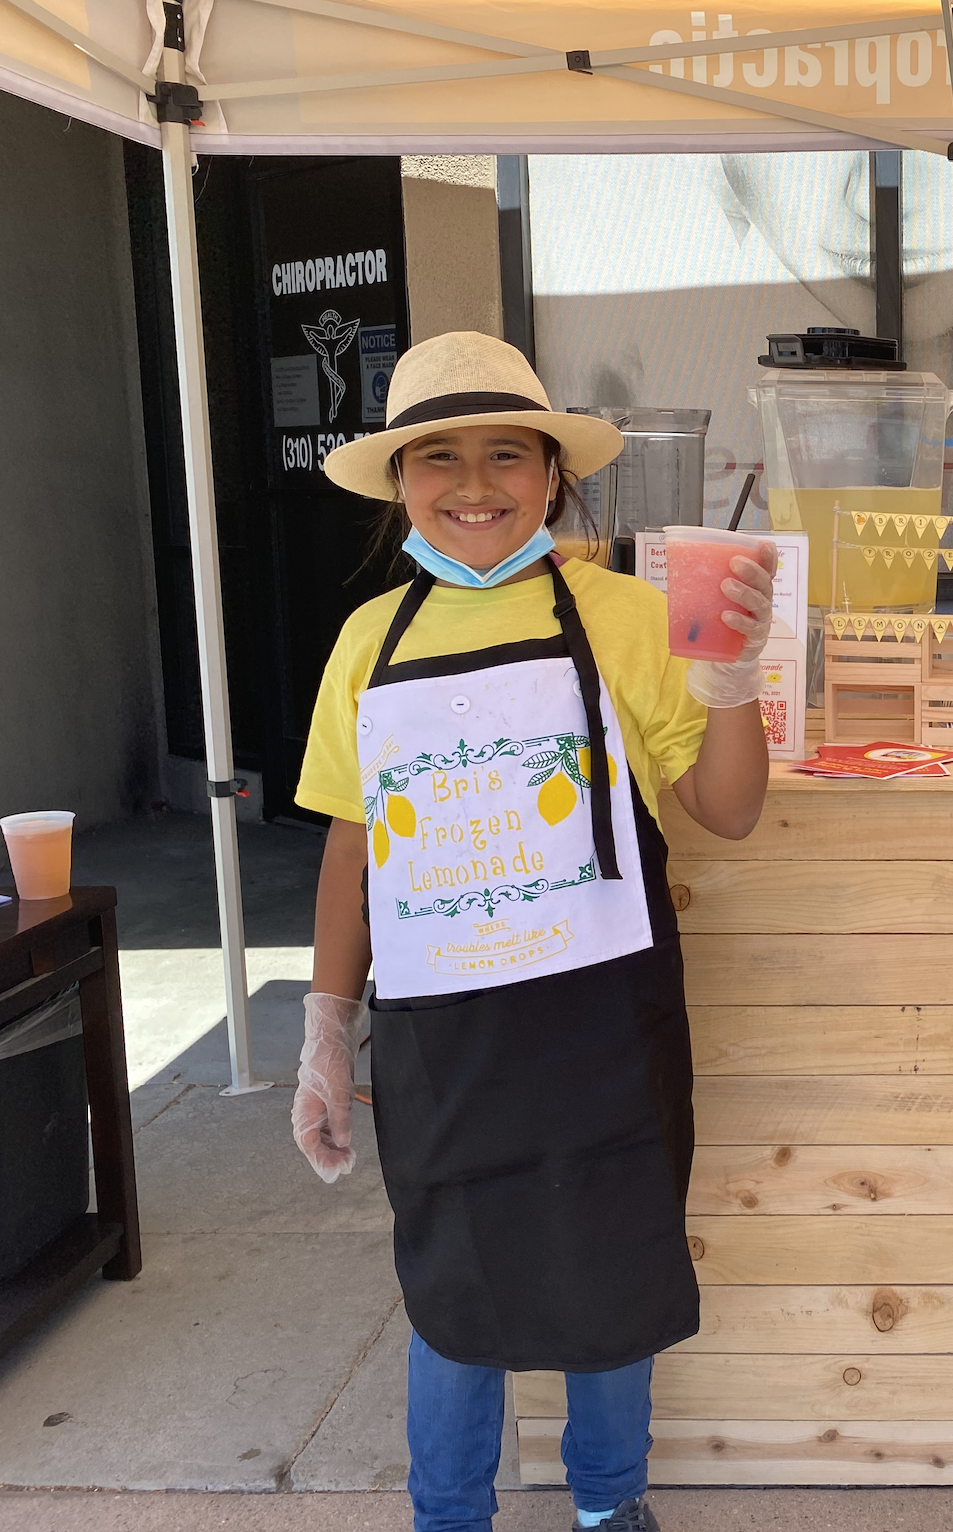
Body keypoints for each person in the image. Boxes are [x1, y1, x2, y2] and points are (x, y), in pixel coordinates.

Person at [287, 332, 777, 1532]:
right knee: (454, 1271)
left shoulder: (626, 616)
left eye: (508, 452)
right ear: (399, 483)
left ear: (553, 476)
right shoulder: (366, 643)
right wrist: (323, 1024)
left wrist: (730, 682)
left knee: (611, 1256)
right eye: (438, 456)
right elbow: (355, 848)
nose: (474, 482)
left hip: (602, 1019)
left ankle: (611, 1504)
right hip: (442, 1029)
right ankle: (448, 1515)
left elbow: (728, 809)